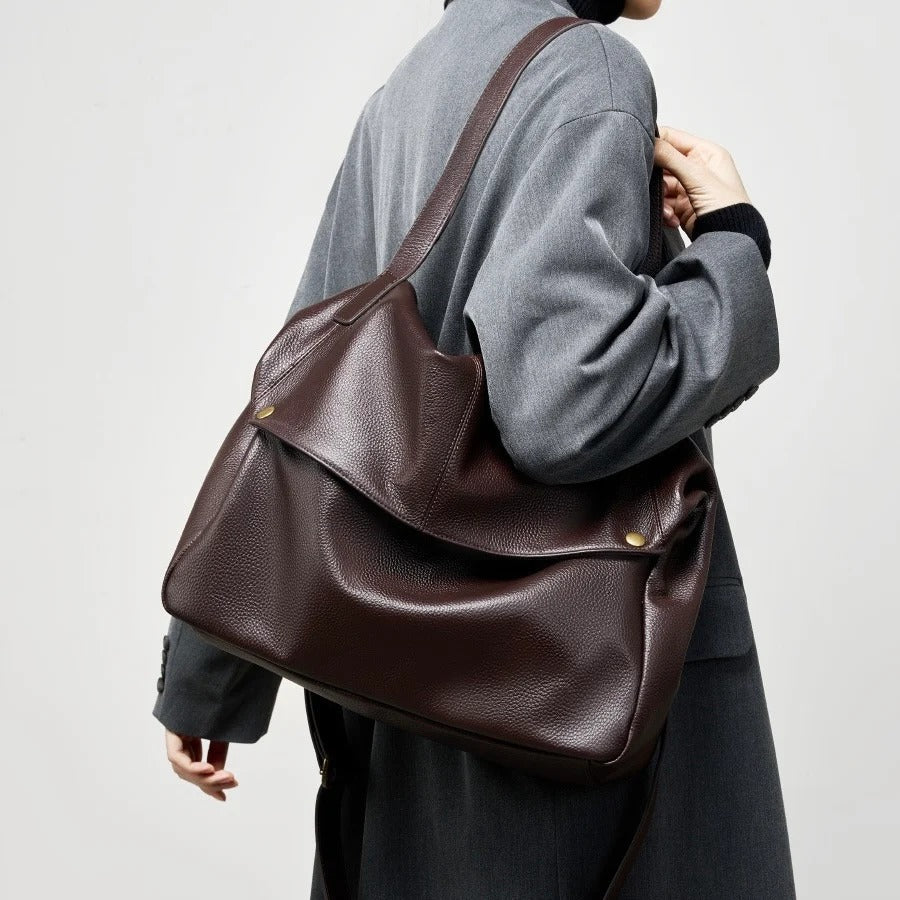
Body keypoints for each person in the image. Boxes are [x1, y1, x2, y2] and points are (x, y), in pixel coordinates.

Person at [153, 0, 796, 896]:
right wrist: (731, 245)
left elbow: (303, 389)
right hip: (563, 691)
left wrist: (208, 672)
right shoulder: (590, 69)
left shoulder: (410, 85)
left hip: (407, 685)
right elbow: (569, 406)